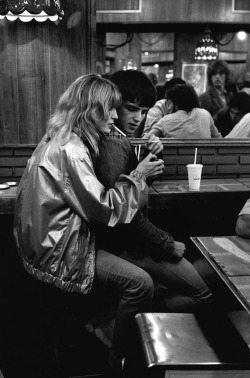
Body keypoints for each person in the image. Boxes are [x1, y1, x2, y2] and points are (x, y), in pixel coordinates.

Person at [13, 73, 168, 374]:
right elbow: (106, 210)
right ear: (89, 109)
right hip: (61, 252)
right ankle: (118, 358)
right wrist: (140, 177)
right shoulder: (72, 149)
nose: (114, 115)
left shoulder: (59, 136)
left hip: (42, 247)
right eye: (110, 108)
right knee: (141, 283)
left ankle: (103, 328)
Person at [94, 70, 213, 314]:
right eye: (132, 109)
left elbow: (136, 187)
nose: (139, 118)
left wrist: (152, 156)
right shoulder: (113, 143)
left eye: (144, 110)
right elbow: (123, 215)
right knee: (203, 295)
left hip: (131, 243)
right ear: (113, 103)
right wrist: (166, 245)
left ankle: (127, 315)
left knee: (175, 285)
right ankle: (127, 320)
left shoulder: (119, 138)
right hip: (128, 246)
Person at [148, 84, 222, 139]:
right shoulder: (205, 114)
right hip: (204, 159)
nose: (167, 109)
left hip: (174, 159)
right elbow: (218, 139)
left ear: (170, 103)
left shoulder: (165, 121)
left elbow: (147, 140)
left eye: (168, 104)